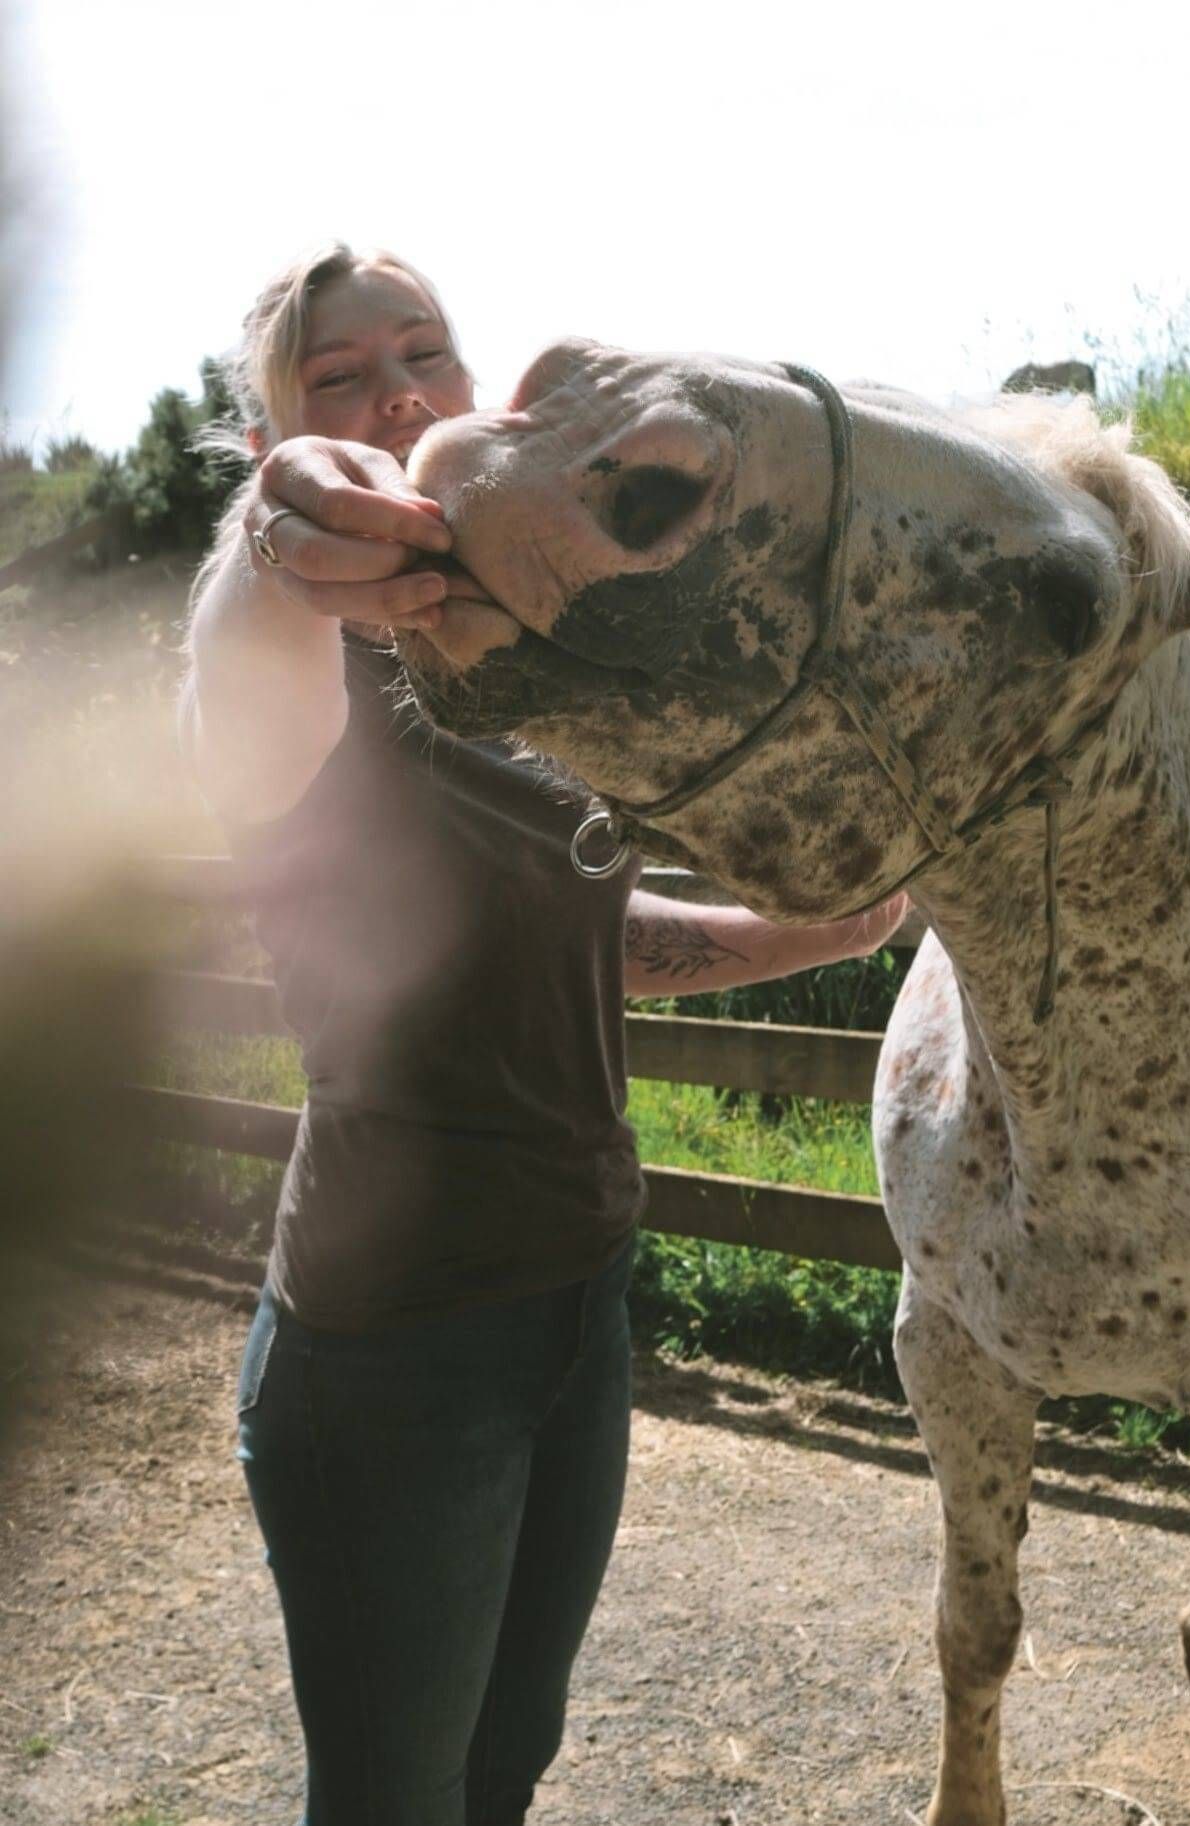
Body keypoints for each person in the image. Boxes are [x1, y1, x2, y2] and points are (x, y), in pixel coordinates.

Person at [182, 240, 909, 1826]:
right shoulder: (299, 671)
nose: (394, 393)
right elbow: (237, 659)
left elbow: (587, 939)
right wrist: (273, 529)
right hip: (395, 1344)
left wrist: (813, 934)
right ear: (266, 436)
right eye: (336, 376)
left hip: (581, 1300)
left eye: (422, 352)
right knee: (393, 1798)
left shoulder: (504, 675)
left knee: (509, 1763)